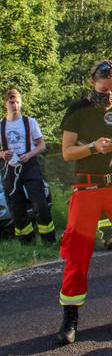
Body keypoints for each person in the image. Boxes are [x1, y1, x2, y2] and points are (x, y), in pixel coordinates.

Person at [56, 60, 112, 344]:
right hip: (88, 187)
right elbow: (68, 152)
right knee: (77, 252)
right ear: (93, 82)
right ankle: (70, 316)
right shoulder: (77, 110)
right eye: (104, 88)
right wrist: (93, 146)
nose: (109, 94)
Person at [0, 89, 55, 245]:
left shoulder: (30, 122)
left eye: (17, 102)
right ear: (5, 104)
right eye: (11, 102)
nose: (15, 105)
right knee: (15, 205)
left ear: (21, 103)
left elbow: (41, 145)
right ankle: (26, 241)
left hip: (29, 164)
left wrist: (29, 154)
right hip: (9, 168)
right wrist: (2, 154)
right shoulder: (1, 125)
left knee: (39, 201)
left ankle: (49, 240)